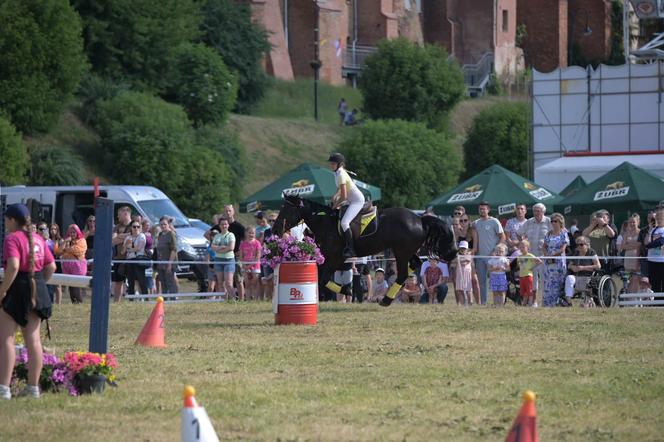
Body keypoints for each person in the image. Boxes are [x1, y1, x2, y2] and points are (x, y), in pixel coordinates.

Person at [0, 204, 56, 399]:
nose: (5, 222)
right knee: (33, 341)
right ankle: (33, 388)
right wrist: (39, 283)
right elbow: (52, 266)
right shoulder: (39, 239)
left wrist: (2, 290)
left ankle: (4, 389)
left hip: (18, 288)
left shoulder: (12, 239)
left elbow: (14, 266)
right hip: (38, 286)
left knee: (5, 339)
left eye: (6, 219)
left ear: (13, 220)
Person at [328, 152, 365, 259]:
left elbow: (343, 196)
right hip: (350, 199)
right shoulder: (337, 173)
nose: (331, 165)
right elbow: (340, 189)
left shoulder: (341, 174)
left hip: (356, 201)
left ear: (339, 164)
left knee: (344, 223)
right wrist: (334, 196)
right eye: (331, 163)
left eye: (333, 163)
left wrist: (335, 205)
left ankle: (351, 248)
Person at [472, 202, 505, 305]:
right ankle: (483, 303)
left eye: (484, 209)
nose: (482, 211)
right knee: (481, 282)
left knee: (496, 280)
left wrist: (496, 250)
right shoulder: (476, 223)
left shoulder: (494, 221)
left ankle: (498, 303)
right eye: (480, 209)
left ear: (488, 210)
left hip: (493, 257)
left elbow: (503, 237)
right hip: (480, 257)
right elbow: (474, 239)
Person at [517, 203, 552, 292]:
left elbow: (557, 233)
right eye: (534, 211)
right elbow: (519, 233)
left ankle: (545, 300)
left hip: (544, 255)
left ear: (543, 212)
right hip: (531, 255)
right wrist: (523, 244)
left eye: (538, 211)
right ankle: (533, 301)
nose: (536, 213)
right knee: (532, 279)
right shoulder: (529, 222)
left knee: (545, 278)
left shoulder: (549, 221)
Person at [564, 236, 601, 307]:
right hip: (577, 275)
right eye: (577, 245)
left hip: (588, 276)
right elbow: (569, 265)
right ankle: (568, 301)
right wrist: (573, 267)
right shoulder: (576, 253)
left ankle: (588, 301)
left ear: (587, 245)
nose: (579, 246)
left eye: (581, 244)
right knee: (569, 278)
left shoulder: (591, 252)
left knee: (586, 281)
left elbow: (598, 266)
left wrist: (583, 268)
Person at [542, 213, 570, 307]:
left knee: (558, 283)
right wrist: (546, 255)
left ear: (560, 222)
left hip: (558, 262)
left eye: (555, 221)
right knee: (548, 283)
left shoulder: (564, 233)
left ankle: (558, 303)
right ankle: (547, 303)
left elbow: (563, 248)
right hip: (548, 262)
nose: (553, 223)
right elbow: (544, 246)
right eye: (552, 221)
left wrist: (553, 255)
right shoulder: (549, 233)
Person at [222, 205, 245, 302]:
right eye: (226, 211)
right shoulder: (222, 225)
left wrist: (241, 251)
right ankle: (228, 299)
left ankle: (241, 300)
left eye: (229, 211)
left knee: (238, 279)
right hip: (225, 256)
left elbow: (247, 239)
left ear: (233, 212)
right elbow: (209, 234)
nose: (228, 212)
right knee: (226, 280)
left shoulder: (239, 226)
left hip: (236, 256)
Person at [60, 224, 88, 303]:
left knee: (76, 286)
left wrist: (66, 249)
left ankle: (79, 303)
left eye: (74, 232)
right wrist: (65, 242)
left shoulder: (82, 240)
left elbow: (78, 250)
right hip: (68, 266)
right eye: (70, 232)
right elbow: (58, 251)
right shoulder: (67, 241)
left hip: (78, 266)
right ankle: (74, 303)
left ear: (77, 232)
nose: (72, 234)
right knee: (71, 286)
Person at [211, 217, 236, 301]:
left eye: (225, 224)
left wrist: (219, 249)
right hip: (218, 260)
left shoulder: (231, 235)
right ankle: (225, 301)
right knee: (220, 282)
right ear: (219, 225)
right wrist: (221, 247)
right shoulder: (217, 236)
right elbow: (212, 247)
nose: (224, 226)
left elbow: (231, 247)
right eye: (222, 224)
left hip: (229, 260)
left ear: (228, 225)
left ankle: (233, 300)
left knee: (229, 283)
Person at [111, 206, 132, 302]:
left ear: (126, 214)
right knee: (118, 281)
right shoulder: (117, 227)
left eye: (119, 215)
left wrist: (120, 236)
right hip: (118, 258)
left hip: (131, 258)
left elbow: (135, 235)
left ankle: (134, 301)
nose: (118, 217)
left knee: (133, 281)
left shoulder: (134, 225)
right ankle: (116, 303)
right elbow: (112, 241)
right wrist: (124, 237)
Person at [124, 220, 148, 296]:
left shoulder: (142, 236)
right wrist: (126, 246)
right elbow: (122, 251)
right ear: (131, 228)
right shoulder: (128, 237)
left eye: (138, 226)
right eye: (134, 227)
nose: (136, 228)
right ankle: (131, 298)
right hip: (129, 261)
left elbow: (139, 248)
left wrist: (129, 249)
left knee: (141, 281)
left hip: (138, 260)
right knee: (130, 281)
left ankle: (145, 297)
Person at [156, 216, 178, 295]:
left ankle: (173, 299)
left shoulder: (171, 234)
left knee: (170, 282)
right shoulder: (160, 234)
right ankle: (164, 299)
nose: (163, 226)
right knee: (163, 282)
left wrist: (170, 264)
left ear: (168, 224)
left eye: (165, 224)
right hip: (160, 263)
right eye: (161, 224)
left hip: (169, 263)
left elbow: (174, 249)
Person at [239, 226, 262, 301]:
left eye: (253, 233)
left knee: (254, 283)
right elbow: (241, 256)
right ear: (246, 233)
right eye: (249, 233)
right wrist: (244, 265)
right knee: (247, 283)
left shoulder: (257, 243)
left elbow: (258, 256)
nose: (251, 234)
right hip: (245, 265)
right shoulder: (243, 244)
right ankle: (248, 299)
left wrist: (250, 266)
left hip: (255, 265)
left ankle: (255, 299)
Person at [517, 240, 542, 307]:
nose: (521, 249)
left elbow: (539, 261)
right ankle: (524, 304)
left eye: (523, 247)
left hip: (528, 276)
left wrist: (532, 267)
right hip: (521, 276)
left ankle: (530, 303)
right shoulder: (519, 257)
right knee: (524, 292)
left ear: (527, 247)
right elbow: (519, 265)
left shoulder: (530, 255)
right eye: (520, 247)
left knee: (529, 291)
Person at [645, 206, 664, 293]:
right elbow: (646, 243)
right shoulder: (652, 230)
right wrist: (649, 231)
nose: (659, 220)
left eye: (661, 218)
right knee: (654, 283)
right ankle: (656, 304)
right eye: (657, 218)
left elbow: (660, 242)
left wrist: (649, 245)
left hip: (662, 260)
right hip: (652, 260)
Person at [454, 241, 474, 306]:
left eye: (464, 248)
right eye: (461, 248)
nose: (462, 250)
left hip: (466, 275)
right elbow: (454, 263)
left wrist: (460, 261)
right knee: (460, 290)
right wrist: (458, 260)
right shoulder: (457, 255)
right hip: (460, 274)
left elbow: (466, 262)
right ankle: (463, 304)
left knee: (468, 290)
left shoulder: (469, 255)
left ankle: (470, 302)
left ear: (467, 249)